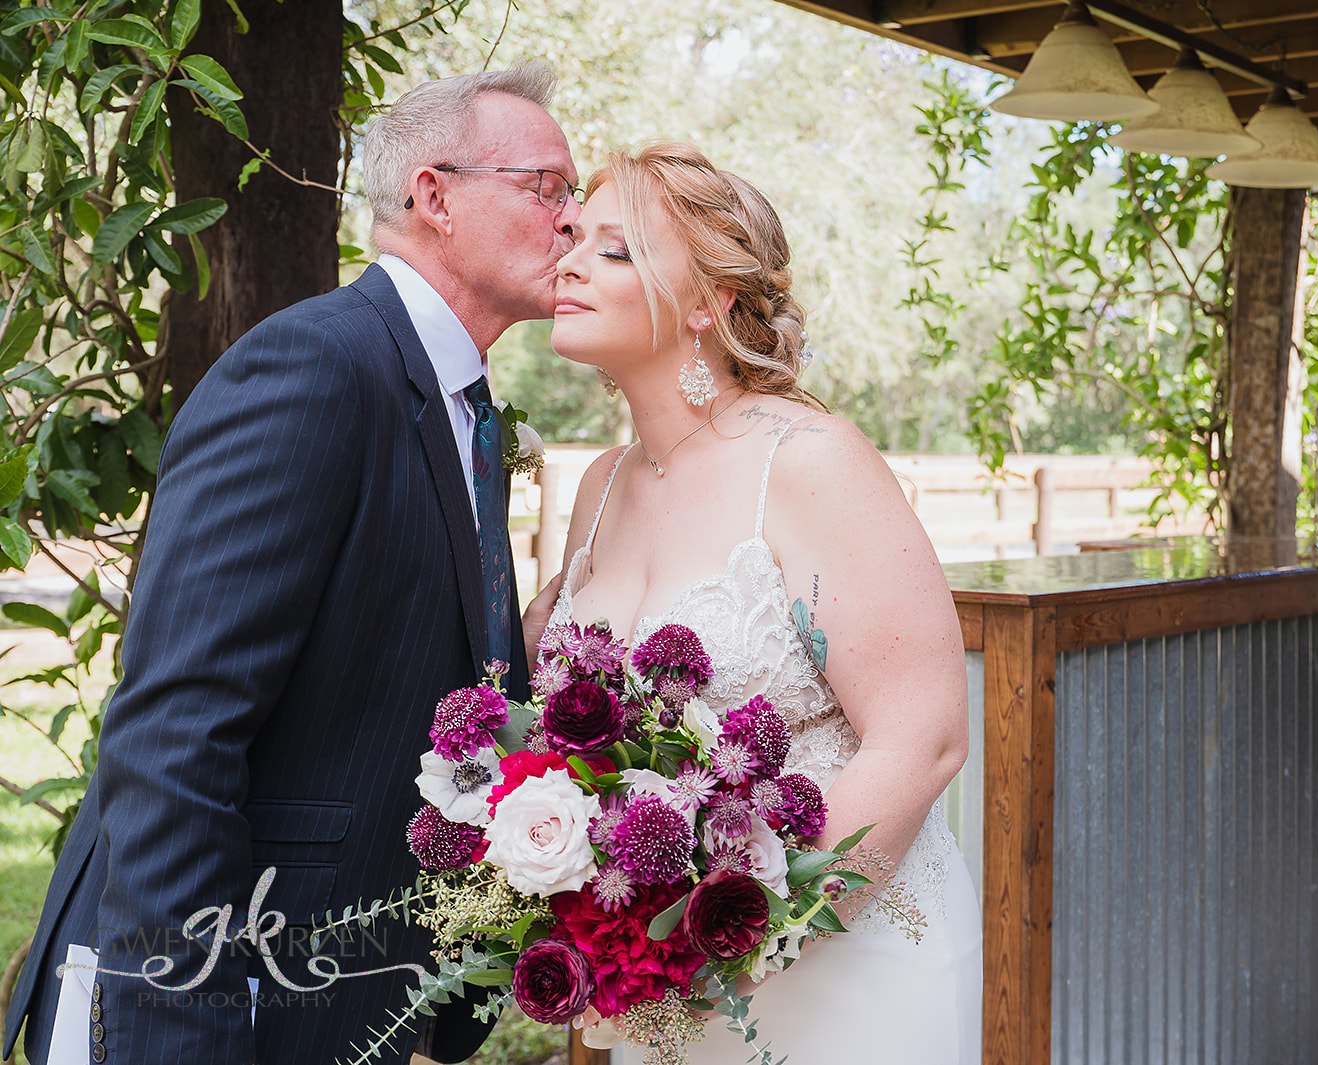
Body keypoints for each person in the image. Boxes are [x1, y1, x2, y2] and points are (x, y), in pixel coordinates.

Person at [2, 65, 574, 1065]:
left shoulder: (461, 410)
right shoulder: (314, 367)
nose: (570, 223)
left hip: (338, 995)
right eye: (547, 188)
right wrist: (188, 1023)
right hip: (207, 1008)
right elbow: (176, 730)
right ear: (433, 195)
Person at [542, 142, 981, 1063]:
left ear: (708, 304)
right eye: (573, 236)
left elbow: (925, 736)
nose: (570, 260)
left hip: (845, 969)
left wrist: (745, 943)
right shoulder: (598, 487)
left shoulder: (810, 461)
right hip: (664, 988)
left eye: (615, 249)